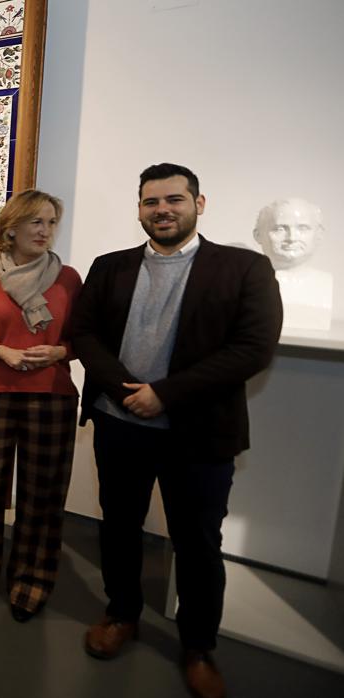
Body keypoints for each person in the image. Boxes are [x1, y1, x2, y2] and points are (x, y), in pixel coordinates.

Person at [73, 163, 282, 698]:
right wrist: (125, 390)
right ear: (139, 208)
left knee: (197, 544)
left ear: (199, 203)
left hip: (200, 432)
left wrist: (165, 393)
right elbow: (84, 334)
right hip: (121, 427)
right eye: (150, 202)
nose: (162, 209)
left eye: (174, 199)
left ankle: (198, 646)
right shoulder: (110, 267)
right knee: (119, 527)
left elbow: (252, 350)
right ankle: (122, 615)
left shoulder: (244, 269)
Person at [0, 189, 81, 623]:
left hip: (51, 398)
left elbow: (85, 339)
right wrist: (0, 351)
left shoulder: (68, 278)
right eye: (36, 222)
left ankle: (32, 579)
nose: (45, 231)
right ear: (12, 228)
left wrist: (61, 353)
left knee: (41, 497)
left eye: (51, 223)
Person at [252, 198, 332, 330]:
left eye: (303, 228)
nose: (292, 238)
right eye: (280, 229)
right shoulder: (247, 285)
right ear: (258, 235)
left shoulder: (324, 285)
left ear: (319, 234)